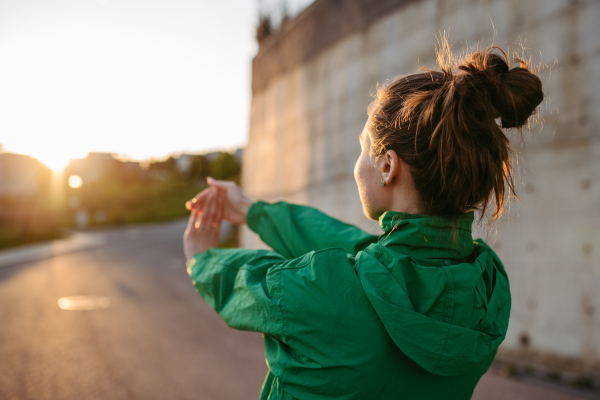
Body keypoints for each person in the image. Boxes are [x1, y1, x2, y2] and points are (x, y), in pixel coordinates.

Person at [183, 44, 544, 400]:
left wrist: (202, 260)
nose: (358, 164)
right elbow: (361, 252)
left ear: (388, 166)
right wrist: (252, 211)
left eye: (363, 147)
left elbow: (246, 284)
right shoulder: (488, 286)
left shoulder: (320, 293)